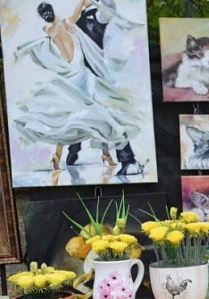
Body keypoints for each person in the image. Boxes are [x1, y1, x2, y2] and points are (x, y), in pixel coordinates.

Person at [13, 0, 138, 173]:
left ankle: (80, 152)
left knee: (74, 113)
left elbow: (64, 52)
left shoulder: (48, 31)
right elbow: (79, 11)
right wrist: (83, 4)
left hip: (70, 72)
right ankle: (112, 154)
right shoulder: (67, 22)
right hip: (80, 71)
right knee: (91, 113)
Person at [66, 0, 140, 176]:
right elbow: (69, 26)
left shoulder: (98, 15)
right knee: (77, 113)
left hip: (97, 74)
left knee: (110, 116)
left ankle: (128, 159)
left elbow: (110, 9)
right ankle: (74, 149)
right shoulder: (81, 14)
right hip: (81, 73)